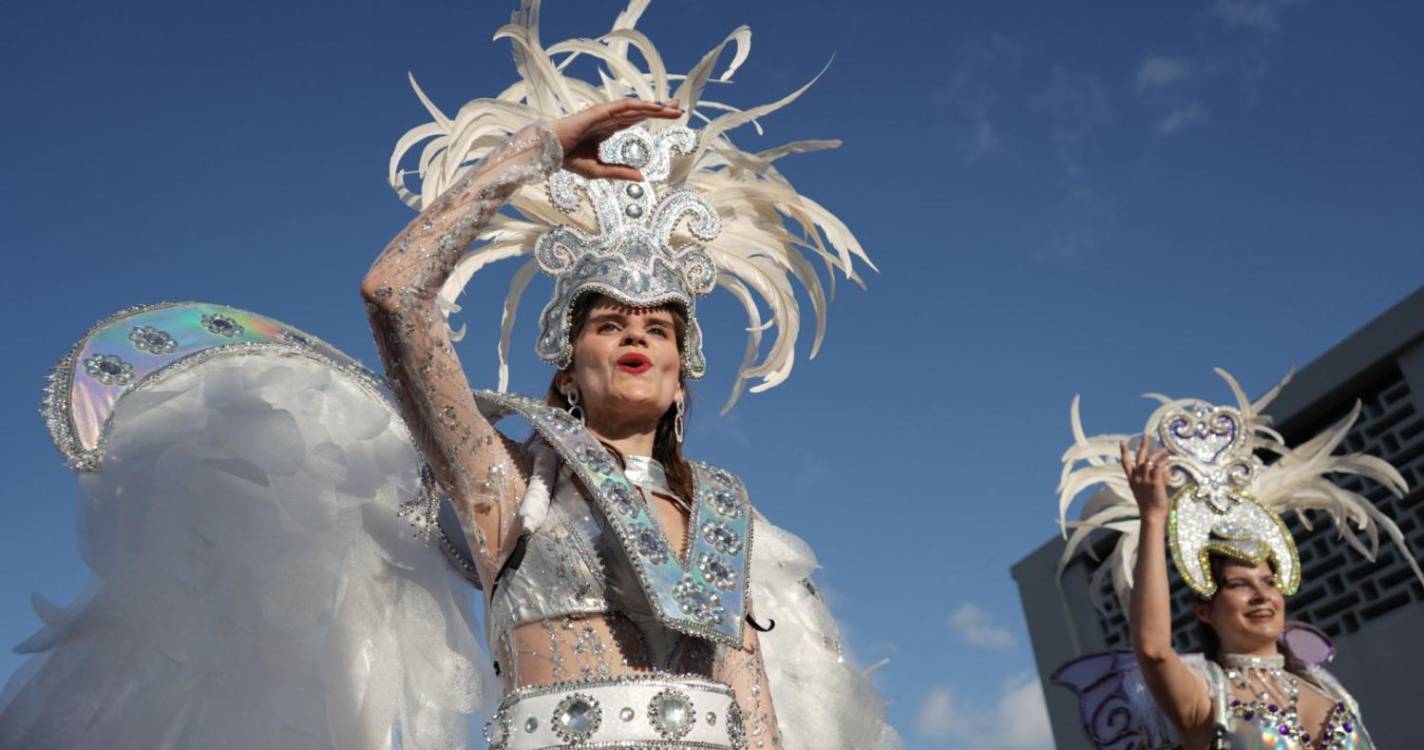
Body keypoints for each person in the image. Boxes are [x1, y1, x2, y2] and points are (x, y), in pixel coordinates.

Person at [0, 3, 899, 749]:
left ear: (680, 372)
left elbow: (757, 707)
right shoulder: (507, 483)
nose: (636, 334)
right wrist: (532, 153)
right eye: (608, 321)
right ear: (568, 360)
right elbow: (395, 298)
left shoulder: (731, 517)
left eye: (659, 327)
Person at [1052, 369, 1423, 749]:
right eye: (1239, 585)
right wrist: (1153, 518)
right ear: (1205, 612)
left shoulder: (1331, 692)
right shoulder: (1206, 700)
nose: (1261, 595)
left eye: (1267, 582)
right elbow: (1153, 649)